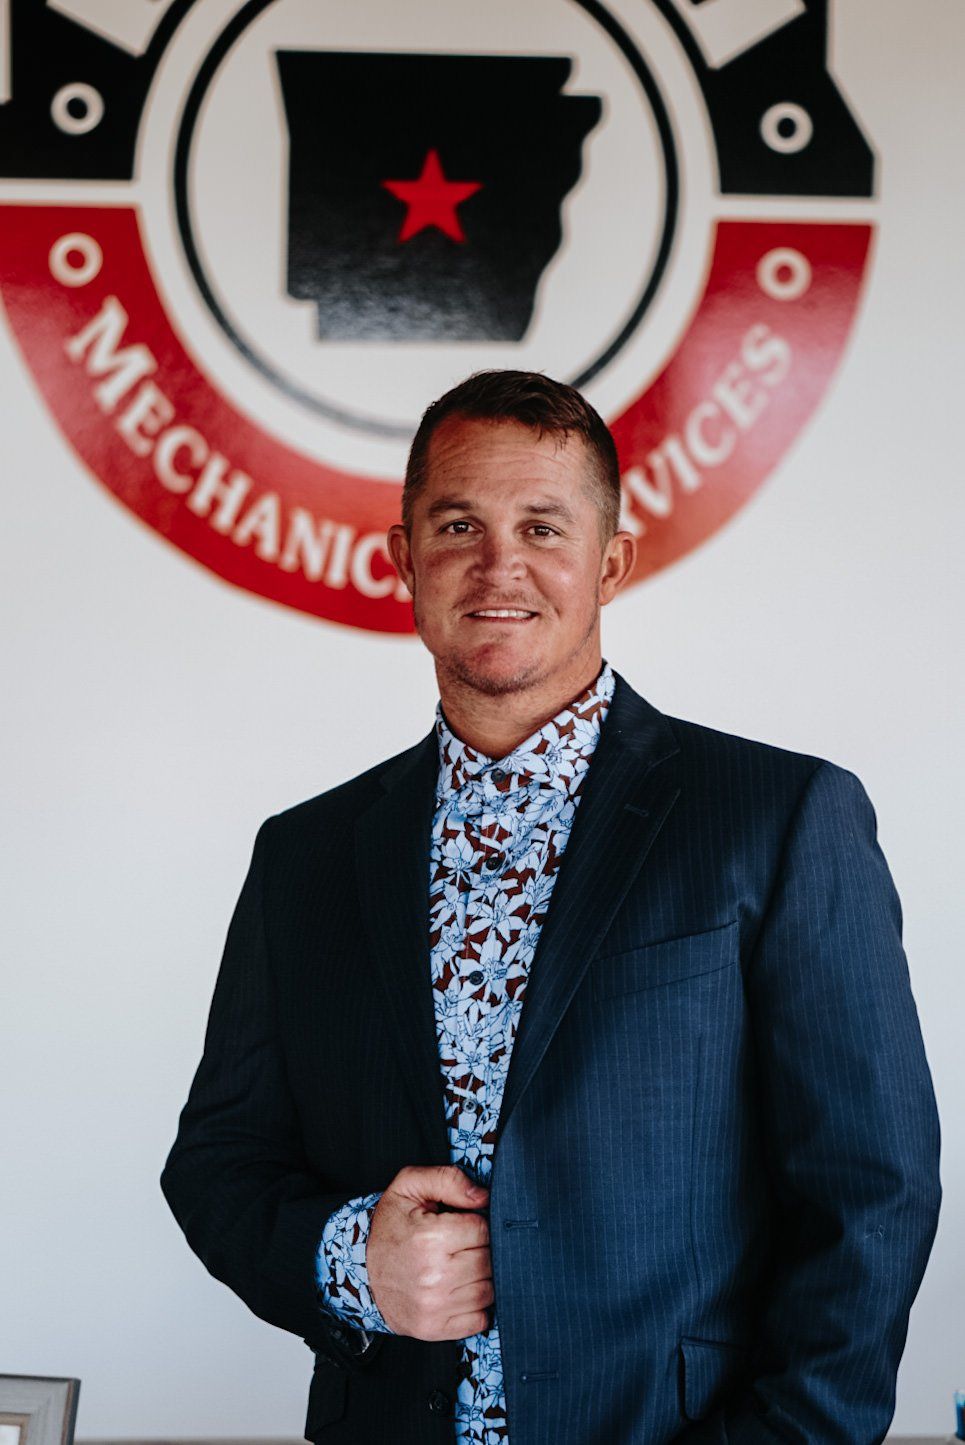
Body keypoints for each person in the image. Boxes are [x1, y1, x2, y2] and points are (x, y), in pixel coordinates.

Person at [161, 370, 941, 1445]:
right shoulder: (305, 855)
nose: (498, 566)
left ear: (609, 562)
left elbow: (871, 1190)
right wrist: (353, 1262)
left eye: (541, 526)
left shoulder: (778, 816)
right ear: (402, 558)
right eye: (457, 526)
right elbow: (219, 1161)